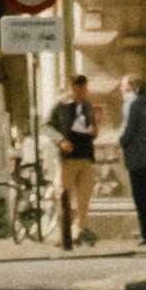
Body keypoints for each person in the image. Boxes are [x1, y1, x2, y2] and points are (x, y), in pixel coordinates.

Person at [52, 73, 100, 247]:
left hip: (85, 156)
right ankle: (64, 235)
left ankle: (76, 233)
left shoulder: (87, 106)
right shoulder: (61, 106)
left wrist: (95, 129)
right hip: (68, 159)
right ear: (72, 88)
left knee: (83, 199)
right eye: (80, 89)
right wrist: (60, 140)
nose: (83, 93)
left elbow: (92, 128)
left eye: (85, 89)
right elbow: (46, 126)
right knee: (65, 198)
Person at [117, 71, 146, 246]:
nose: (121, 89)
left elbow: (128, 129)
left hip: (136, 156)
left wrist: (121, 141)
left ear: (130, 87)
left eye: (123, 85)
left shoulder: (131, 103)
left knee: (140, 196)